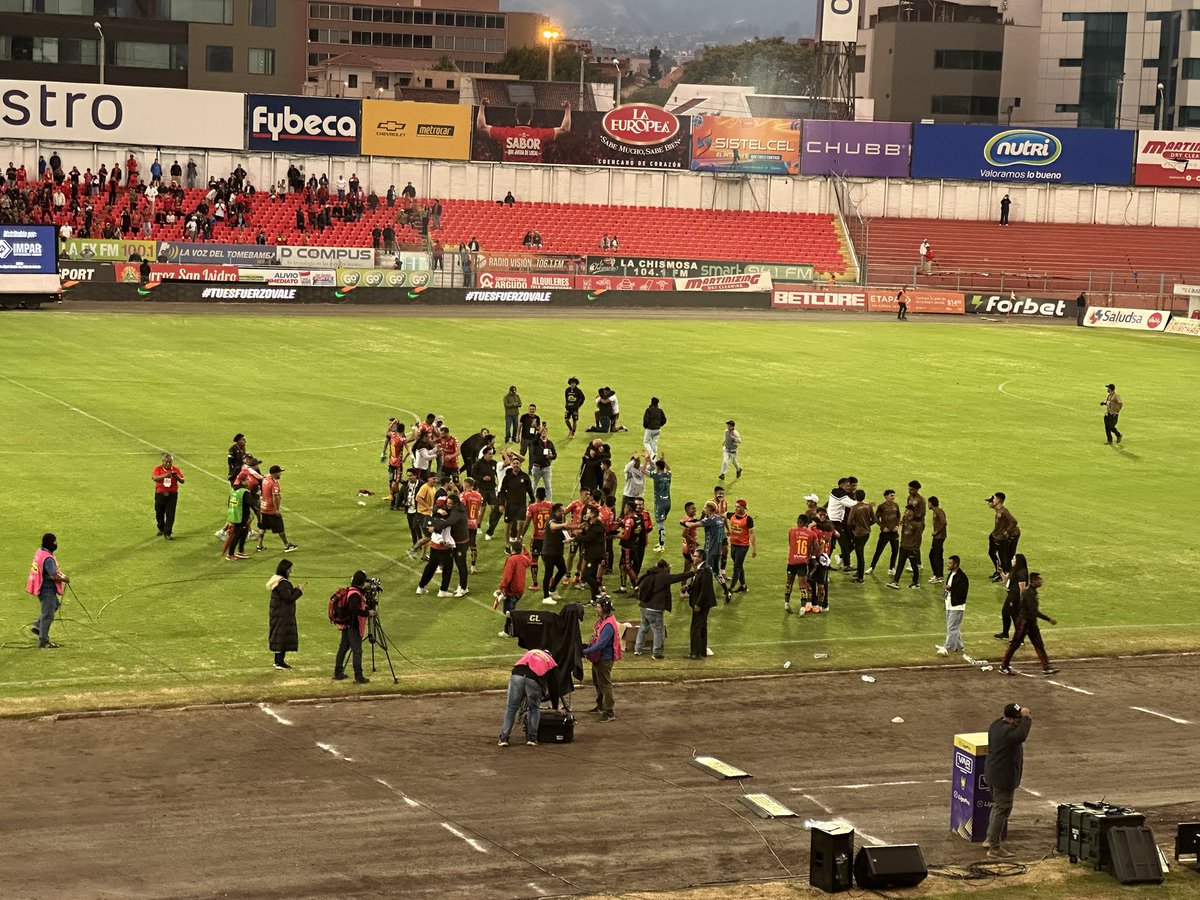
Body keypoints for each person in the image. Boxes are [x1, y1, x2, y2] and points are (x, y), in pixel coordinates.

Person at [984, 702, 1033, 860]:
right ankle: (994, 848)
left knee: (997, 807)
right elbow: (1022, 734)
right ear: (1012, 720)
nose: (1020, 722)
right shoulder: (1009, 733)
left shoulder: (996, 724)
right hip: (1003, 777)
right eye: (1018, 719)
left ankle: (989, 838)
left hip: (992, 773)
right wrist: (1026, 718)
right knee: (1002, 810)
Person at [477, 100, 572, 164]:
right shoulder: (540, 134)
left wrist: (482, 106)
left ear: (515, 116)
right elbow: (564, 129)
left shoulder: (505, 133)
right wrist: (567, 109)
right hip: (534, 180)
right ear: (531, 117)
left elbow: (481, 127)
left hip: (509, 177)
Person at [999, 573, 1058, 676]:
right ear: (1033, 581)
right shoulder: (1028, 593)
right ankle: (1004, 666)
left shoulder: (1032, 592)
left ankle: (1046, 667)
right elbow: (1033, 611)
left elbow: (1033, 611)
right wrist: (1048, 619)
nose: (1041, 582)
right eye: (1039, 580)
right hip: (1024, 623)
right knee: (1015, 644)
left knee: (1039, 645)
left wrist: (1047, 619)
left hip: (1030, 622)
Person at [498, 648, 558, 747]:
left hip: (517, 676)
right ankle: (532, 739)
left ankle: (503, 738)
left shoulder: (531, 652)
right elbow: (554, 687)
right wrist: (555, 706)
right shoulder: (551, 662)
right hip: (533, 680)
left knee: (511, 708)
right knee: (534, 708)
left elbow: (518, 667)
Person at [634, 559, 692, 658]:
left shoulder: (649, 573)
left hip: (644, 606)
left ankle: (638, 649)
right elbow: (678, 577)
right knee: (658, 631)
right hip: (655, 609)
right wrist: (692, 573)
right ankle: (657, 653)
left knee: (643, 627)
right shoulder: (663, 576)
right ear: (664, 567)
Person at [581, 595, 621, 721]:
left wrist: (585, 651)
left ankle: (609, 712)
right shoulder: (602, 621)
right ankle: (600, 705)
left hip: (605, 658)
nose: (596, 609)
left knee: (605, 684)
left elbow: (601, 644)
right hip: (598, 658)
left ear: (604, 608)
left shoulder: (608, 625)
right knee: (597, 682)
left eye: (598, 607)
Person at [27, 533, 68, 648]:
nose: (56, 544)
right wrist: (65, 578)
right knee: (48, 615)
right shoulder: (49, 559)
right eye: (54, 542)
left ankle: (38, 626)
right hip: (47, 590)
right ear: (50, 543)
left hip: (40, 586)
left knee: (55, 604)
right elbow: (53, 576)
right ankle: (43, 641)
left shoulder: (40, 552)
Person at [333, 570, 373, 684]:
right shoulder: (355, 593)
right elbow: (354, 609)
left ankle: (338, 672)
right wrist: (367, 613)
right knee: (357, 650)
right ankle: (358, 676)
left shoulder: (351, 590)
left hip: (346, 624)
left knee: (343, 648)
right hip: (353, 625)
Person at [267, 559, 304, 670]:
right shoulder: (282, 583)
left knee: (279, 637)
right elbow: (288, 598)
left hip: (278, 614)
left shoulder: (278, 582)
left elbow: (285, 595)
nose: (291, 571)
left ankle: (278, 661)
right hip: (282, 615)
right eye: (290, 569)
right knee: (281, 638)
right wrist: (299, 591)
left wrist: (294, 589)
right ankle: (279, 662)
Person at [888, 480, 925, 590]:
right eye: (909, 488)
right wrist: (905, 519)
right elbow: (907, 510)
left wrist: (912, 520)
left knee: (913, 544)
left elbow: (921, 514)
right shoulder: (909, 498)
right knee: (901, 559)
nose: (910, 490)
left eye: (912, 489)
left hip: (917, 524)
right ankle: (895, 581)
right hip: (908, 528)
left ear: (917, 489)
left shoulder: (921, 500)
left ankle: (916, 576)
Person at [494, 543, 533, 637]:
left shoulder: (511, 560)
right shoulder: (523, 558)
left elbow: (507, 576)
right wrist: (525, 550)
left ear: (512, 549)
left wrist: (501, 588)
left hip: (511, 590)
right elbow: (530, 561)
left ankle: (508, 631)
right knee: (511, 611)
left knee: (508, 613)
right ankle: (512, 629)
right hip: (520, 590)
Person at [257, 466, 297, 553]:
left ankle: (259, 545)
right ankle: (287, 545)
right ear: (275, 473)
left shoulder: (266, 479)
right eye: (279, 472)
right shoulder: (274, 484)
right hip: (271, 510)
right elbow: (276, 497)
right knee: (280, 528)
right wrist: (277, 509)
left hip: (263, 508)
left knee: (263, 527)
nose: (280, 474)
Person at [687, 548, 717, 658]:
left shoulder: (705, 570)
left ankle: (695, 653)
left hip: (702, 604)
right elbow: (697, 585)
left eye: (695, 556)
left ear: (701, 558)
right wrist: (688, 587)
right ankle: (702, 651)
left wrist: (698, 604)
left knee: (696, 628)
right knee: (702, 627)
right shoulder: (700, 569)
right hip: (702, 603)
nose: (693, 558)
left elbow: (705, 590)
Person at [937, 556, 968, 657]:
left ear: (956, 564)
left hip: (957, 607)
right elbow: (948, 590)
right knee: (954, 627)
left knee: (952, 628)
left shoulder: (962, 577)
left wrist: (951, 589)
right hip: (949, 605)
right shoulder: (952, 574)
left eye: (950, 563)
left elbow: (963, 592)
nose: (948, 565)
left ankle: (948, 648)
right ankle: (959, 646)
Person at [784, 513, 816, 614]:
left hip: (792, 561)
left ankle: (786, 603)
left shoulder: (791, 531)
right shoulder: (811, 534)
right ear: (806, 523)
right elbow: (814, 548)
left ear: (798, 521)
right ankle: (802, 608)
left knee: (789, 583)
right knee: (803, 585)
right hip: (803, 562)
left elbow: (791, 543)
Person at [151, 452, 186, 539]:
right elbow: (154, 478)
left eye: (170, 462)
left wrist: (177, 477)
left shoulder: (175, 470)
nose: (168, 464)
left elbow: (182, 480)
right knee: (159, 512)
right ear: (162, 462)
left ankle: (168, 532)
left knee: (170, 514)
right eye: (166, 462)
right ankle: (161, 528)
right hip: (160, 494)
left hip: (172, 495)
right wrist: (165, 476)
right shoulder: (158, 469)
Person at [995, 553, 1029, 642]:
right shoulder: (1014, 569)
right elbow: (1007, 580)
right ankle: (1006, 634)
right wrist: (1001, 572)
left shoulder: (1021, 573)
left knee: (1014, 616)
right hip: (1011, 595)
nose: (1011, 560)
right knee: (1006, 613)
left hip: (1015, 597)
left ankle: (1019, 638)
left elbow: (1022, 590)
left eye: (1014, 559)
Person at [988, 492, 1019, 582]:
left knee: (1006, 555)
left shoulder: (1003, 511)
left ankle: (1005, 575)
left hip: (1013, 535)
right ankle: (1000, 572)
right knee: (997, 553)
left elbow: (1014, 521)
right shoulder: (998, 510)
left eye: (994, 499)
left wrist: (1007, 531)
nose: (992, 500)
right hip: (1003, 535)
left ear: (998, 500)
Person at [726, 499, 756, 593]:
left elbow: (751, 534)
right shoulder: (731, 515)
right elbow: (721, 514)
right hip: (733, 544)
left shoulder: (748, 519)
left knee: (736, 567)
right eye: (736, 506)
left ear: (743, 508)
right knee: (738, 566)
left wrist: (754, 548)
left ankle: (730, 589)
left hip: (742, 546)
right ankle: (743, 586)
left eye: (738, 507)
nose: (736, 508)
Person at [846, 489, 874, 582]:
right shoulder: (869, 506)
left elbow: (849, 522)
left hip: (858, 534)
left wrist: (853, 530)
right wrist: (866, 525)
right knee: (859, 553)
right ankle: (859, 573)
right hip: (866, 533)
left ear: (855, 497)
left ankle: (860, 578)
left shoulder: (854, 508)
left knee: (860, 555)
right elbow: (874, 519)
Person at [223, 480, 253, 561]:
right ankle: (230, 554)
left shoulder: (234, 490)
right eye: (246, 479)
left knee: (244, 533)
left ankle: (240, 551)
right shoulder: (244, 492)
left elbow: (229, 502)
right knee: (236, 535)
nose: (248, 481)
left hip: (236, 515)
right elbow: (251, 503)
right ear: (242, 481)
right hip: (240, 517)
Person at [648, 457, 672, 551]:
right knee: (662, 523)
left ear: (657, 467)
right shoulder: (668, 475)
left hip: (659, 504)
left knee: (660, 524)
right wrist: (665, 461)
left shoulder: (656, 475)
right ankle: (661, 543)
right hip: (668, 503)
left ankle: (661, 546)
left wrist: (646, 461)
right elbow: (669, 469)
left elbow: (642, 471)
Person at [928, 496, 947, 584]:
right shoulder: (937, 510)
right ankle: (938, 575)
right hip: (939, 537)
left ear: (931, 503)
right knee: (937, 556)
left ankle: (938, 576)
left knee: (934, 556)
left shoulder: (938, 511)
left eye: (929, 503)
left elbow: (944, 522)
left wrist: (936, 531)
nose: (928, 505)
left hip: (939, 537)